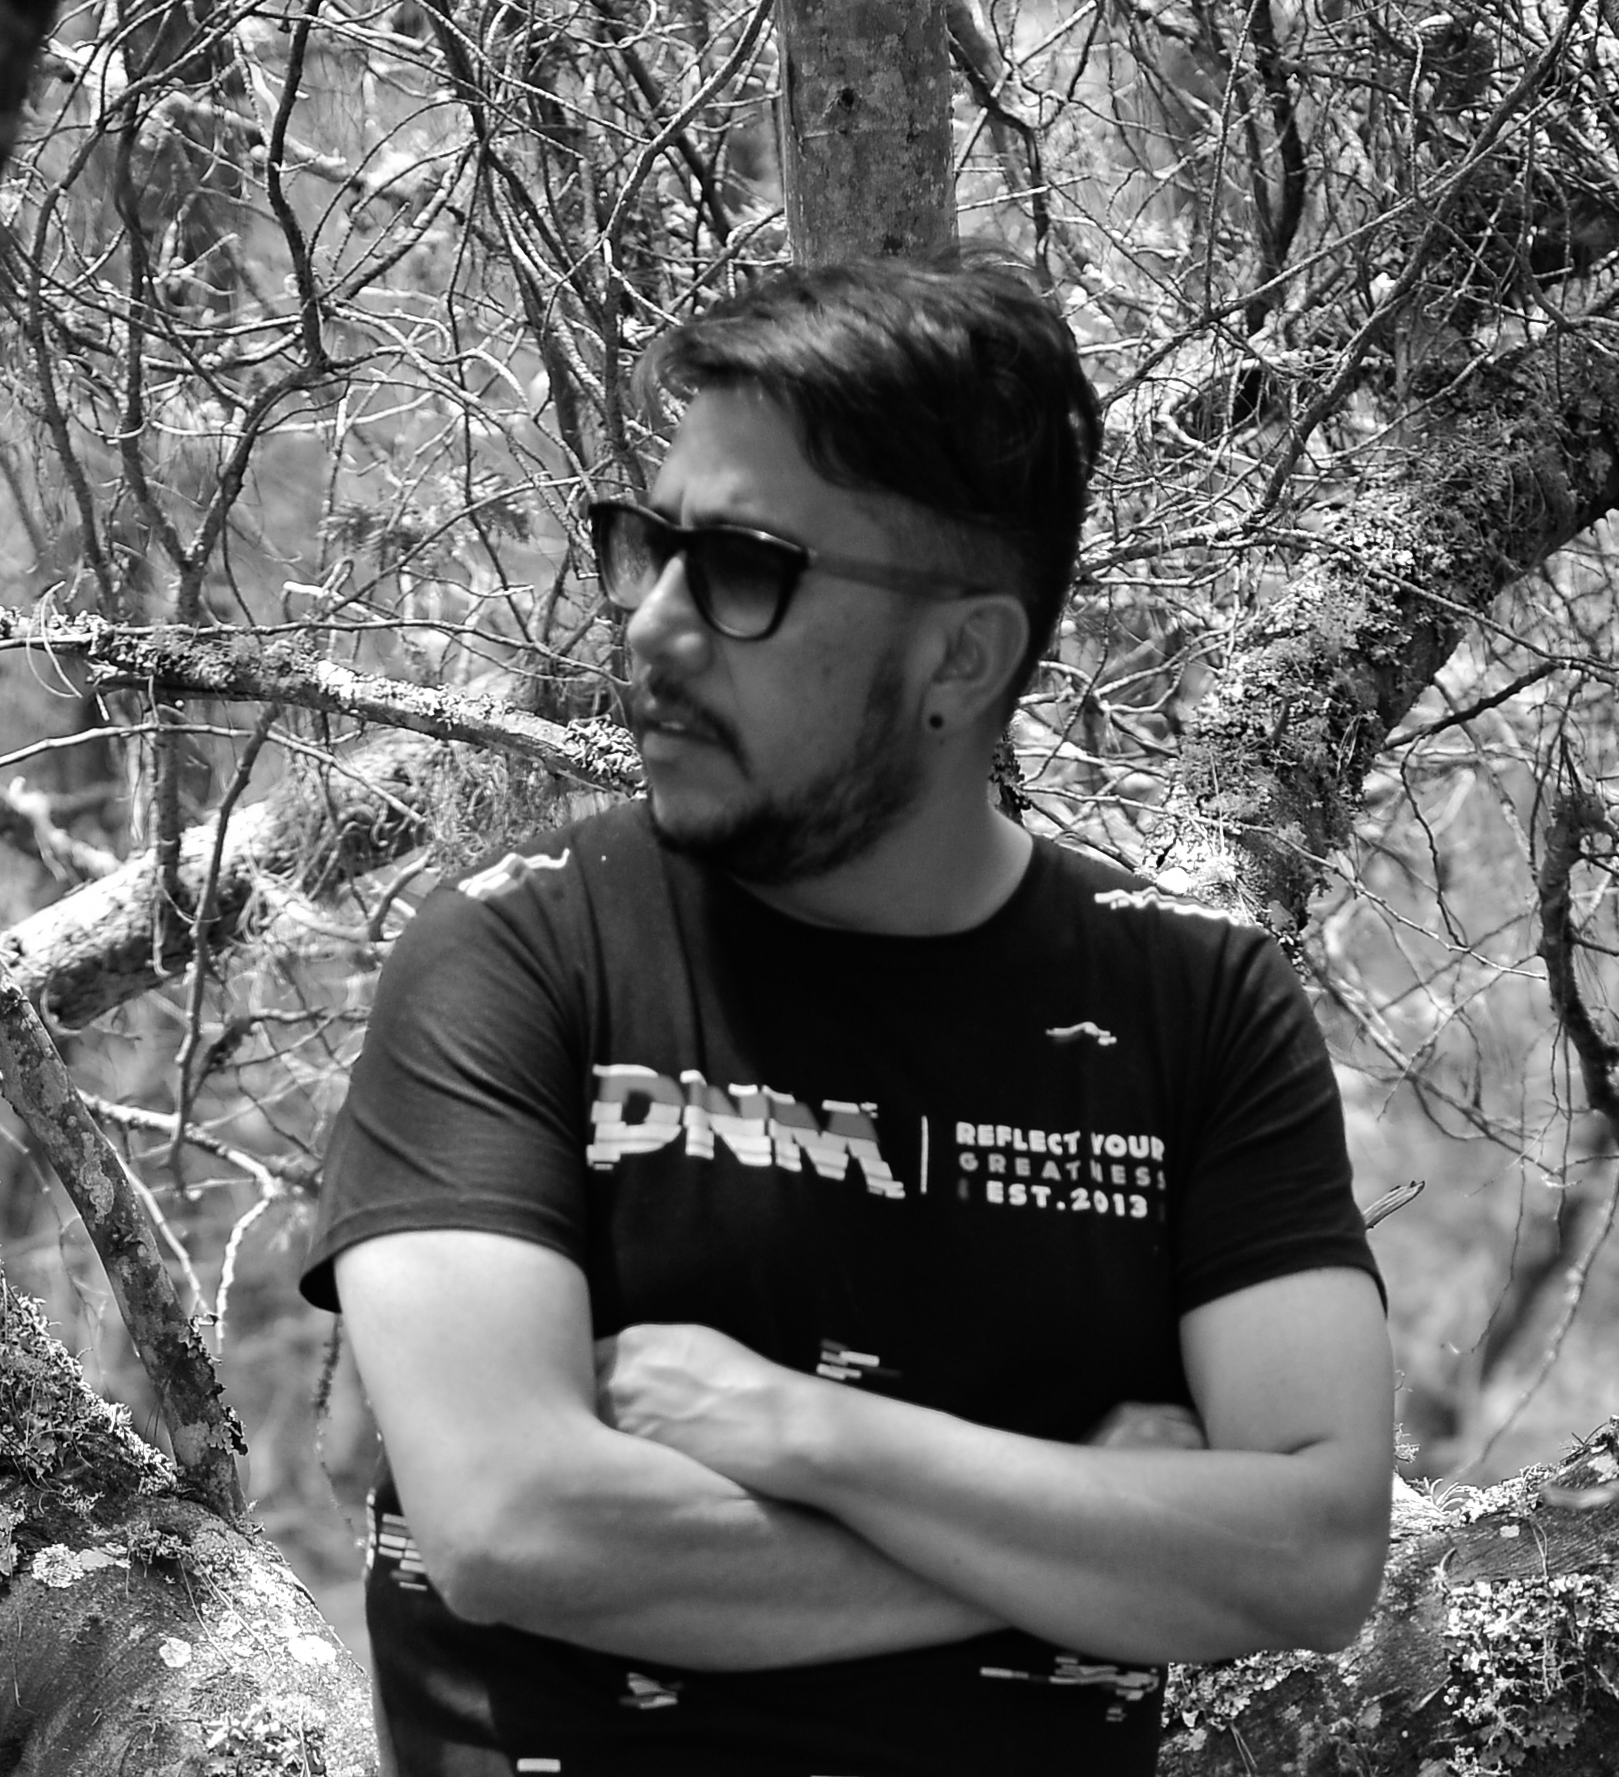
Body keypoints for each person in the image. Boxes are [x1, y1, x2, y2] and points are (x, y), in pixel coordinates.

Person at [299, 255, 1394, 1777]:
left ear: (960, 656)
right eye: (649, 548)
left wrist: (811, 1434)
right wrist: (1089, 1528)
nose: (654, 626)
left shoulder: (1198, 1004)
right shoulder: (516, 953)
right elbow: (512, 1521)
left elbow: (1317, 1552)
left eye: (743, 571)